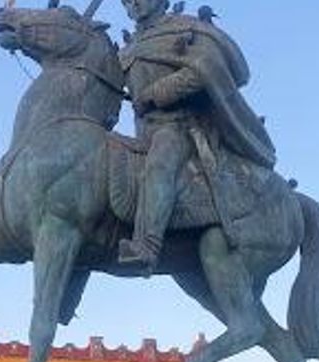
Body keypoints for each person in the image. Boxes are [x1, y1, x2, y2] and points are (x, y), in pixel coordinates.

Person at [117, 0, 276, 271]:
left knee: (160, 161)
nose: (135, 2)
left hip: (182, 126)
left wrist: (158, 92)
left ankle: (147, 245)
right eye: (127, 0)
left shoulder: (187, 28)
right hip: (143, 131)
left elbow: (208, 69)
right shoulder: (128, 48)